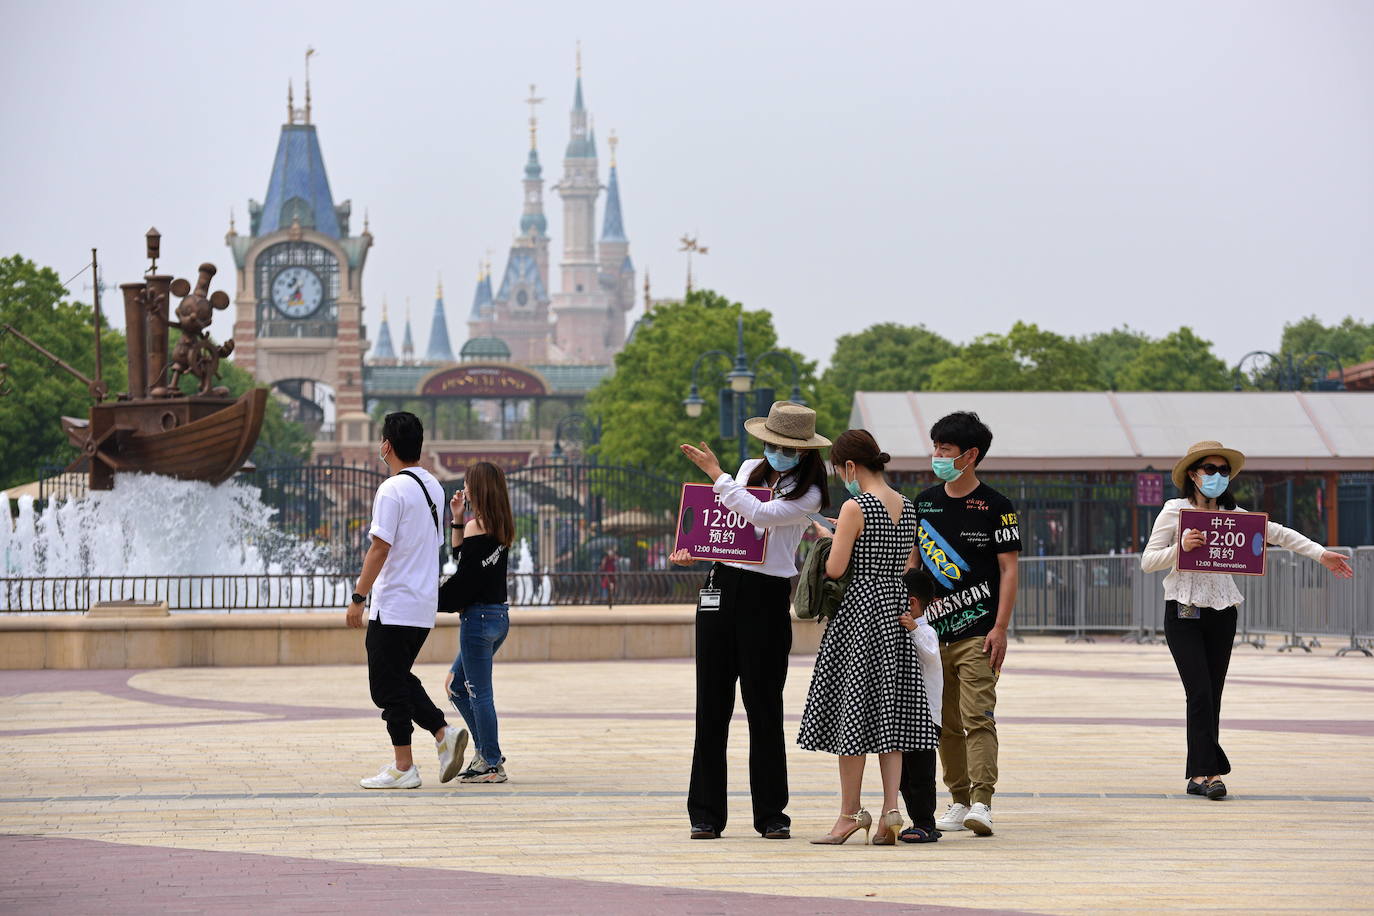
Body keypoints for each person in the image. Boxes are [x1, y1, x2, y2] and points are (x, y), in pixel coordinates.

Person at [1141, 440, 1353, 800]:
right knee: (1200, 692)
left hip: (1224, 611)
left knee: (1214, 693)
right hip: (1184, 610)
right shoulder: (1174, 512)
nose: (1218, 476)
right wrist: (1182, 548)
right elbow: (1148, 561)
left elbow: (1279, 533)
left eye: (1224, 471)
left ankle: (1199, 775)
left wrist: (1321, 554)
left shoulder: (1234, 515)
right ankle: (1210, 773)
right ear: (1193, 474)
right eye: (1211, 469)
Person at [673, 401, 831, 841]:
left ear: (803, 450)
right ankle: (705, 813)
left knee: (764, 708)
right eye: (770, 443)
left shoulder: (810, 493)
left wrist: (715, 474)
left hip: (766, 595)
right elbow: (730, 522)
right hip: (722, 583)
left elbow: (760, 516)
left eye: (783, 446)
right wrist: (695, 548)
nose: (773, 451)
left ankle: (771, 814)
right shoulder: (747, 470)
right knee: (712, 705)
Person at [799, 430, 938, 846]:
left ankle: (848, 814)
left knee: (853, 714)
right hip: (893, 608)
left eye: (840, 469)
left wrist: (829, 537)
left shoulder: (855, 506)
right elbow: (905, 559)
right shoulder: (909, 506)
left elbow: (837, 569)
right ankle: (890, 812)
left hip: (859, 613)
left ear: (851, 467)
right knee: (890, 715)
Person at [347, 411, 468, 789]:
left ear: (386, 445)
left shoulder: (392, 489)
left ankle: (410, 761)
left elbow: (380, 547)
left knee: (385, 687)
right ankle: (435, 740)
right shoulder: (433, 486)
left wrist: (358, 596)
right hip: (421, 603)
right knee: (396, 679)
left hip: (395, 602)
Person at [913, 411, 1019, 837]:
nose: (937, 455)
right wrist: (914, 614)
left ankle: (982, 802)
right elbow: (914, 563)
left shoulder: (997, 507)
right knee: (945, 722)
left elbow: (1009, 571)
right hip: (934, 632)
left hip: (979, 632)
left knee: (978, 717)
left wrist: (1001, 627)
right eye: (935, 446)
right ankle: (956, 800)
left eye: (946, 449)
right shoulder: (924, 502)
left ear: (970, 455)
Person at [439, 461, 516, 784]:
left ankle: (492, 762)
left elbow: (463, 579)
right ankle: (486, 752)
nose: (465, 488)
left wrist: (431, 598)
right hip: (498, 617)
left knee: (478, 692)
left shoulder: (477, 525)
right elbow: (466, 560)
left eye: (469, 483)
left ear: (480, 487)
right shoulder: (502, 526)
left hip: (477, 620)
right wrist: (457, 518)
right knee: (457, 687)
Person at [897, 566, 944, 844]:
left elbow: (930, 655)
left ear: (911, 602)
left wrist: (914, 629)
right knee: (905, 775)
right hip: (909, 715)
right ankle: (919, 820)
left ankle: (926, 822)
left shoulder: (926, 631)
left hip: (927, 717)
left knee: (922, 774)